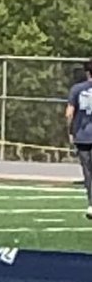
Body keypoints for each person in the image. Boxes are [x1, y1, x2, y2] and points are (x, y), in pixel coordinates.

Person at [66, 60, 92, 219]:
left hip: (82, 136)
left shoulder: (77, 89)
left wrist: (70, 131)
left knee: (88, 172)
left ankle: (91, 203)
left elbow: (69, 113)